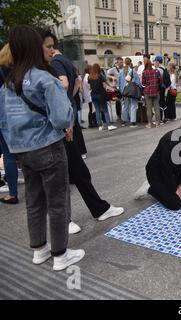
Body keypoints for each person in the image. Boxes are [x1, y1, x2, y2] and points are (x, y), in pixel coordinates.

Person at [0, 26, 85, 270]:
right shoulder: (44, 79)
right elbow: (61, 118)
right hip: (48, 146)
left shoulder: (9, 81)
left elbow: (4, 120)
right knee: (58, 202)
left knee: (34, 201)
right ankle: (61, 255)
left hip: (22, 150)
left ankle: (39, 249)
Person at [39, 29, 125, 233]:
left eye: (53, 46)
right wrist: (65, 114)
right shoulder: (44, 69)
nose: (53, 50)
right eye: (48, 46)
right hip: (48, 134)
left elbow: (69, 86)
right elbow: (66, 85)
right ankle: (63, 222)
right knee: (55, 181)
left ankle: (97, 209)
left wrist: (66, 115)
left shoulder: (50, 64)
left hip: (59, 129)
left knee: (76, 172)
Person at [134, 112, 181, 210]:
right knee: (175, 204)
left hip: (174, 172)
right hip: (158, 173)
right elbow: (165, 168)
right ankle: (150, 188)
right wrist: (175, 189)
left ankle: (164, 190)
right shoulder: (172, 140)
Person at [0, 43, 19, 204]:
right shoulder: (19, 70)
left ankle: (13, 193)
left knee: (8, 154)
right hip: (18, 113)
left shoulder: (2, 69)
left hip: (4, 115)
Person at [88, 64, 117, 131]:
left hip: (93, 95)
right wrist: (112, 85)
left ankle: (100, 126)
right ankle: (109, 125)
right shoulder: (100, 76)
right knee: (105, 110)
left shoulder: (90, 77)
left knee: (97, 110)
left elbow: (90, 87)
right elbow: (106, 84)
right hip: (101, 94)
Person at [119, 57, 141, 127]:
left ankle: (124, 121)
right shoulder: (133, 72)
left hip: (124, 91)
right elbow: (138, 82)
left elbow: (119, 83)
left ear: (124, 62)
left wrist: (121, 90)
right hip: (132, 91)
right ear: (131, 62)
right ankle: (133, 121)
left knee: (125, 106)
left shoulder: (121, 72)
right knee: (133, 105)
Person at [142, 58, 161, 128]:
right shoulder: (156, 71)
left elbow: (143, 83)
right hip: (156, 91)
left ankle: (150, 124)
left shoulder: (144, 72)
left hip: (148, 91)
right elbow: (160, 81)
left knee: (149, 108)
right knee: (156, 107)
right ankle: (157, 123)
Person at [107, 57, 124, 122]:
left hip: (124, 87)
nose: (121, 63)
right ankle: (118, 115)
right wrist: (112, 77)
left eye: (122, 62)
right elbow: (107, 74)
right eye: (120, 62)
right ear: (117, 63)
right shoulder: (114, 69)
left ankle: (125, 115)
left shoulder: (124, 68)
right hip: (117, 88)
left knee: (125, 102)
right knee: (118, 102)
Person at [153, 55, 167, 124]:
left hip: (159, 88)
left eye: (155, 61)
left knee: (159, 103)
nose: (154, 63)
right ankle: (165, 117)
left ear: (158, 62)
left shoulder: (158, 70)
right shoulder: (164, 68)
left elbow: (156, 80)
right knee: (163, 103)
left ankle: (160, 119)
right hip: (163, 88)